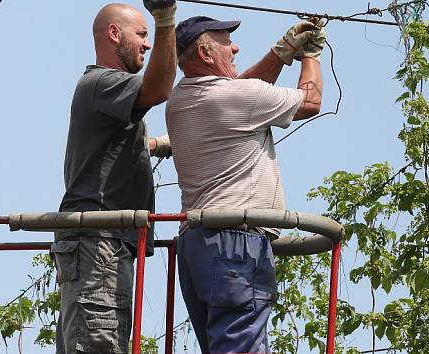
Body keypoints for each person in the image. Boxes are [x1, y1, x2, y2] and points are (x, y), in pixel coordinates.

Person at [165, 15, 326, 353]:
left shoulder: (179, 100)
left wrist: (281, 52)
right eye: (226, 41)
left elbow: (241, 91)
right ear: (207, 55)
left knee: (223, 344)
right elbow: (310, 101)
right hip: (235, 245)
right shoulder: (239, 98)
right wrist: (310, 54)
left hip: (197, 243)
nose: (235, 46)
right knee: (241, 345)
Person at [50, 1, 176, 353]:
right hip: (98, 242)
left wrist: (157, 145)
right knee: (97, 344)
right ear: (114, 34)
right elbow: (159, 89)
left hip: (104, 244)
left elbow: (110, 146)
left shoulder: (104, 93)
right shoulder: (102, 83)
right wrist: (165, 18)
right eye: (142, 34)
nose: (148, 44)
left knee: (104, 341)